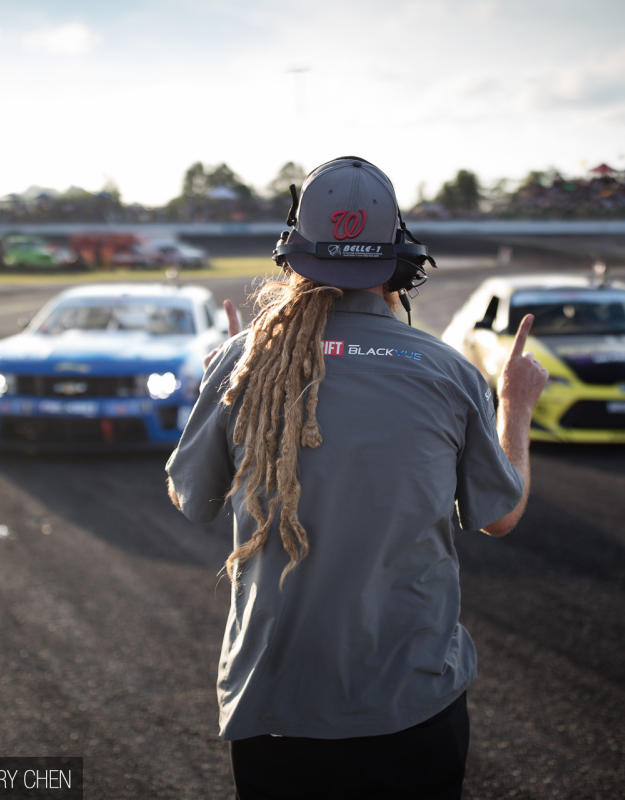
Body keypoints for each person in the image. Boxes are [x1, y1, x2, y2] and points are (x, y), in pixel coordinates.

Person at [165, 157, 547, 799]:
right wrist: (516, 404)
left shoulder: (242, 361)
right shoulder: (449, 372)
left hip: (275, 709)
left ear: (294, 257)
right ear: (400, 262)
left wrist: (229, 390)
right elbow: (499, 514)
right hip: (409, 708)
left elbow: (191, 498)